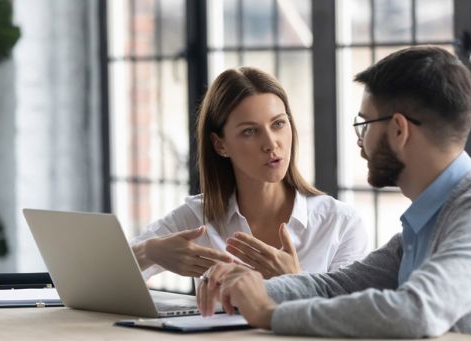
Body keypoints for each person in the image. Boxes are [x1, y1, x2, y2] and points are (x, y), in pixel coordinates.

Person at [197, 47, 471, 341]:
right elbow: (336, 285)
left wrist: (271, 314)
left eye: (364, 124)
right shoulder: (434, 217)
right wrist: (248, 287)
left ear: (398, 129)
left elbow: (415, 311)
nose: (359, 141)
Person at [131, 67, 368, 283]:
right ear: (220, 145)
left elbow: (348, 316)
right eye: (250, 131)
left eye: (278, 124)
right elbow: (98, 275)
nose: (270, 143)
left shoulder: (340, 223)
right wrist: (149, 252)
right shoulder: (198, 218)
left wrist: (293, 279)